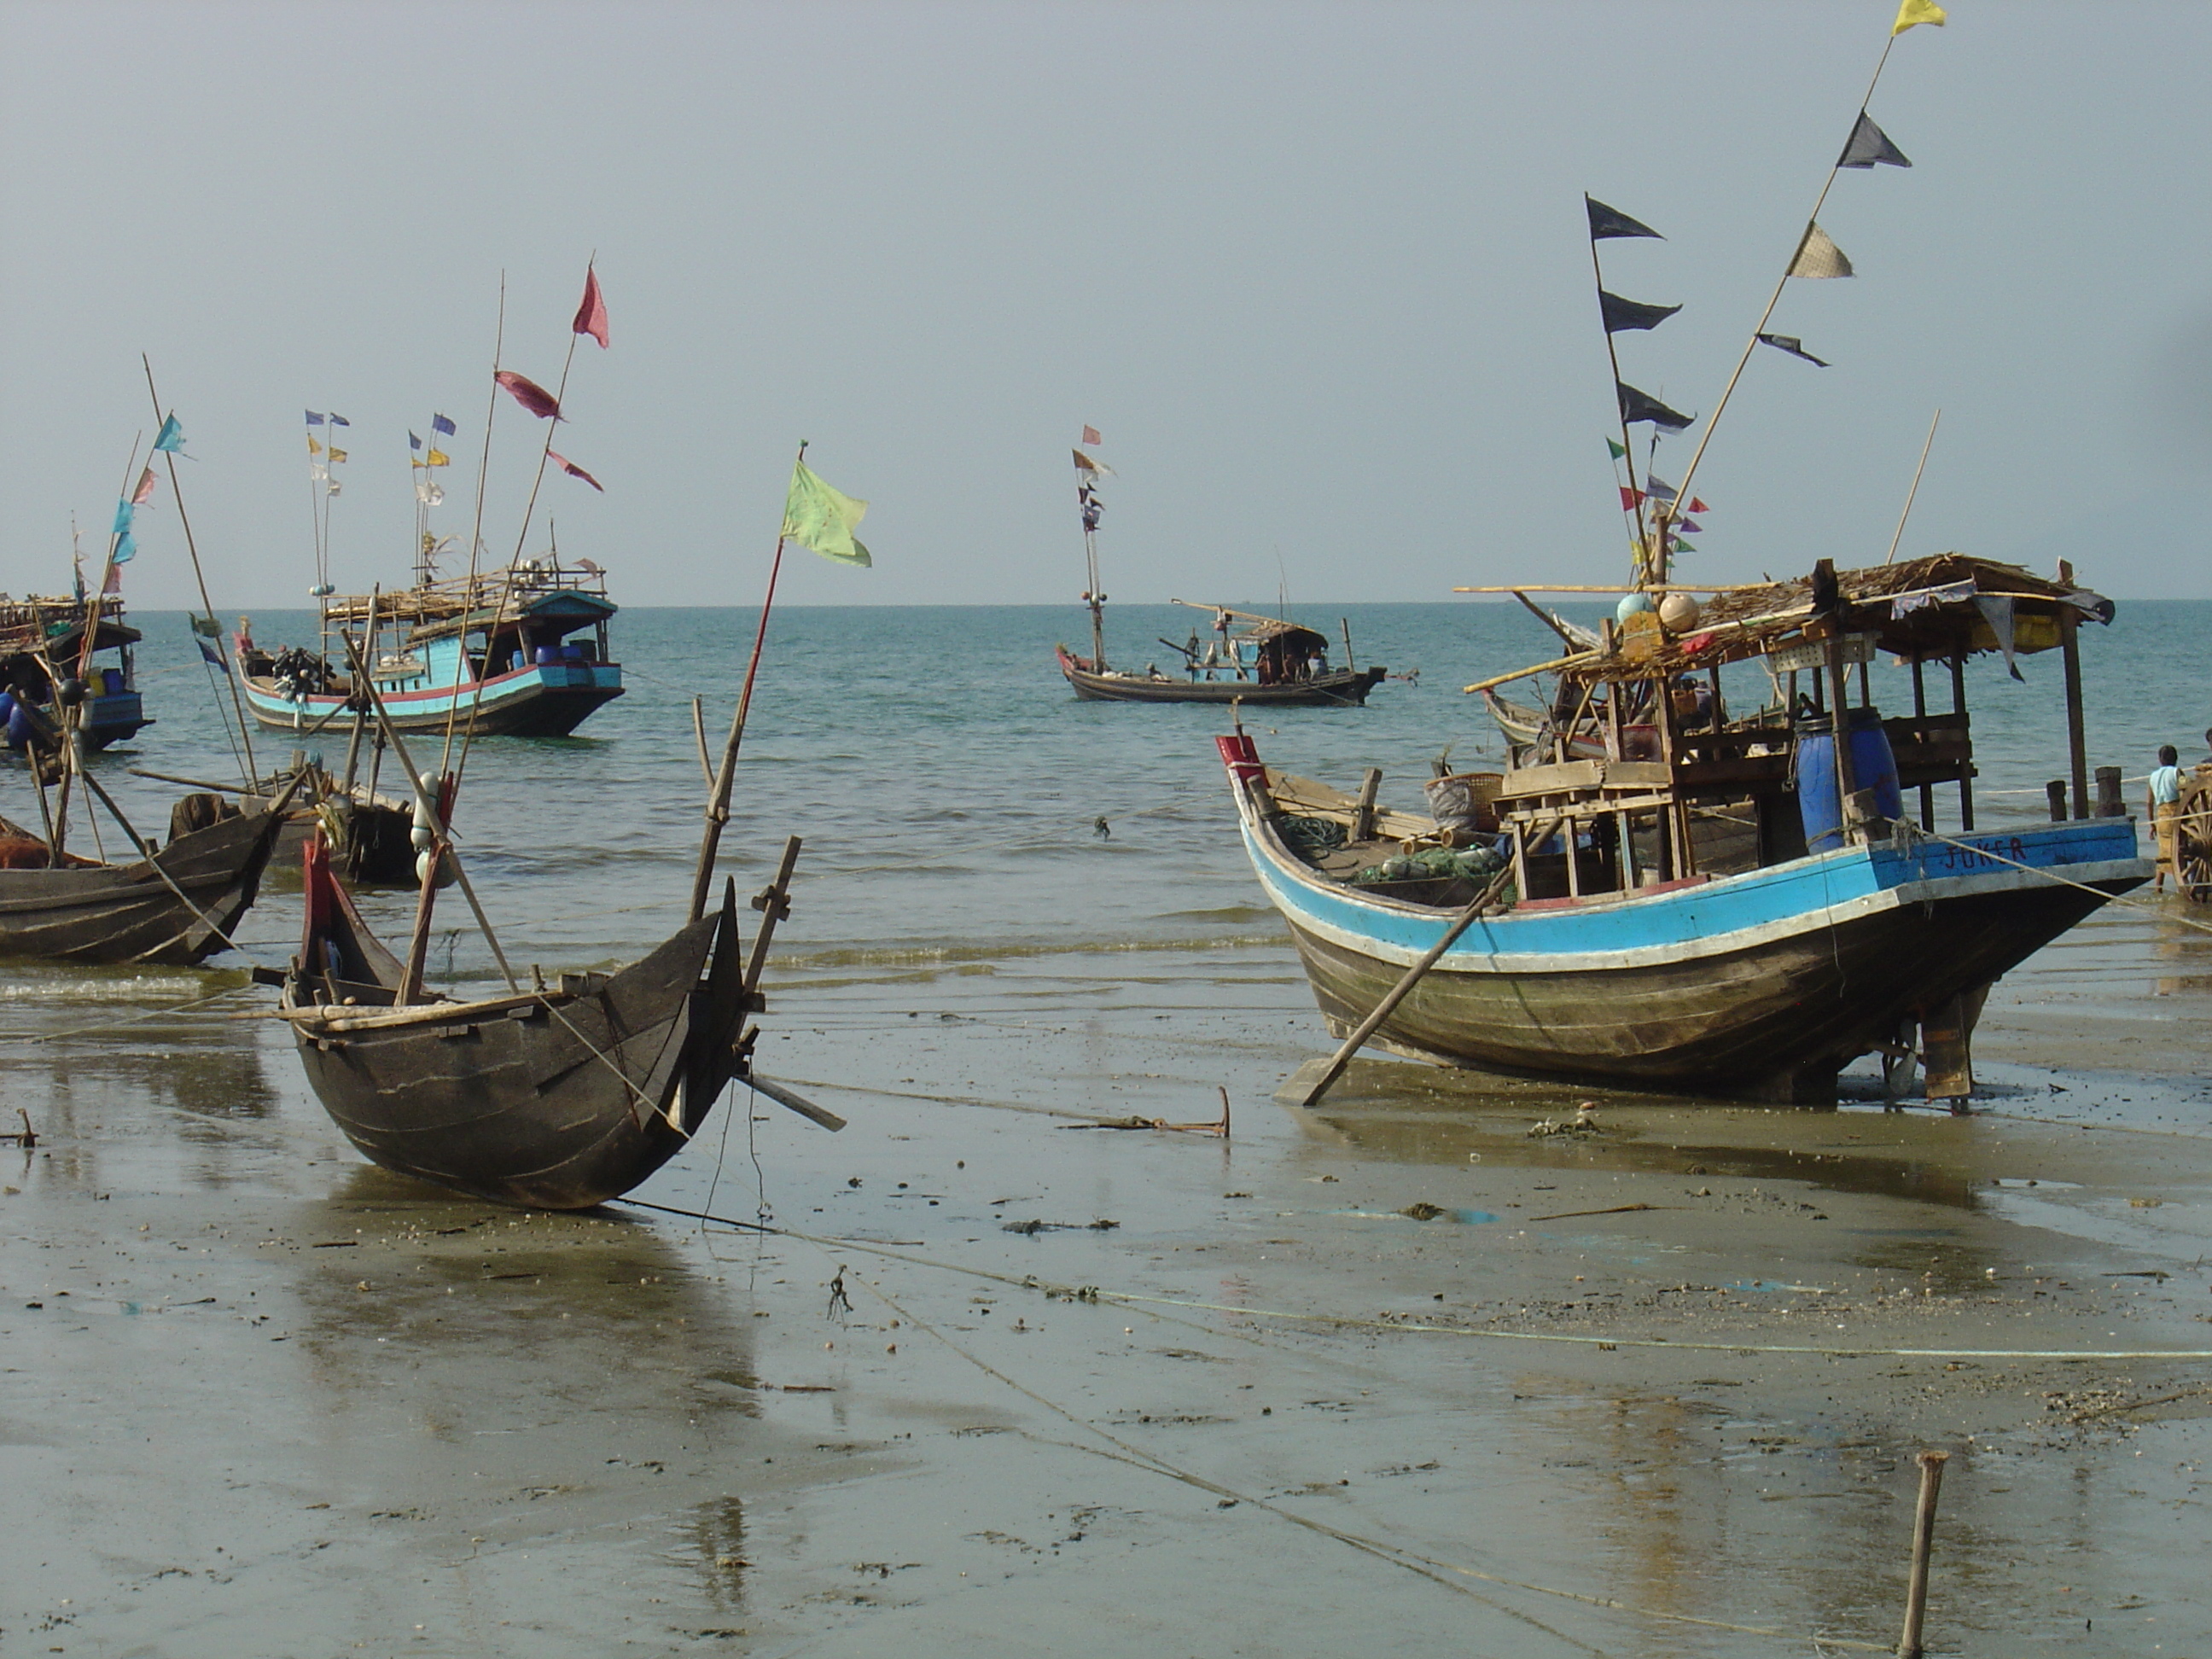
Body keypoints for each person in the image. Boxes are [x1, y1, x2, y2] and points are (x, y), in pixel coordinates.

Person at [2148, 743, 2183, 892]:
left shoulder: (2153, 776)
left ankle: (2158, 889)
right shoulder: (2177, 772)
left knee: (2163, 853)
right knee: (2178, 853)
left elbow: (2149, 802)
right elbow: (2185, 795)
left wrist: (2152, 825)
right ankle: (2182, 888)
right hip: (2175, 815)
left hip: (2160, 817)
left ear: (2160, 759)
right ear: (2176, 759)